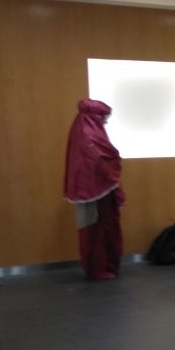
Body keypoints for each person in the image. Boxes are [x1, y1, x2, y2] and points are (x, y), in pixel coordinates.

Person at [63, 99, 126, 279]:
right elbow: (101, 160)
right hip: (96, 192)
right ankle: (101, 267)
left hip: (91, 190)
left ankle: (101, 266)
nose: (105, 121)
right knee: (98, 229)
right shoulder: (89, 134)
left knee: (94, 228)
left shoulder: (81, 130)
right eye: (103, 117)